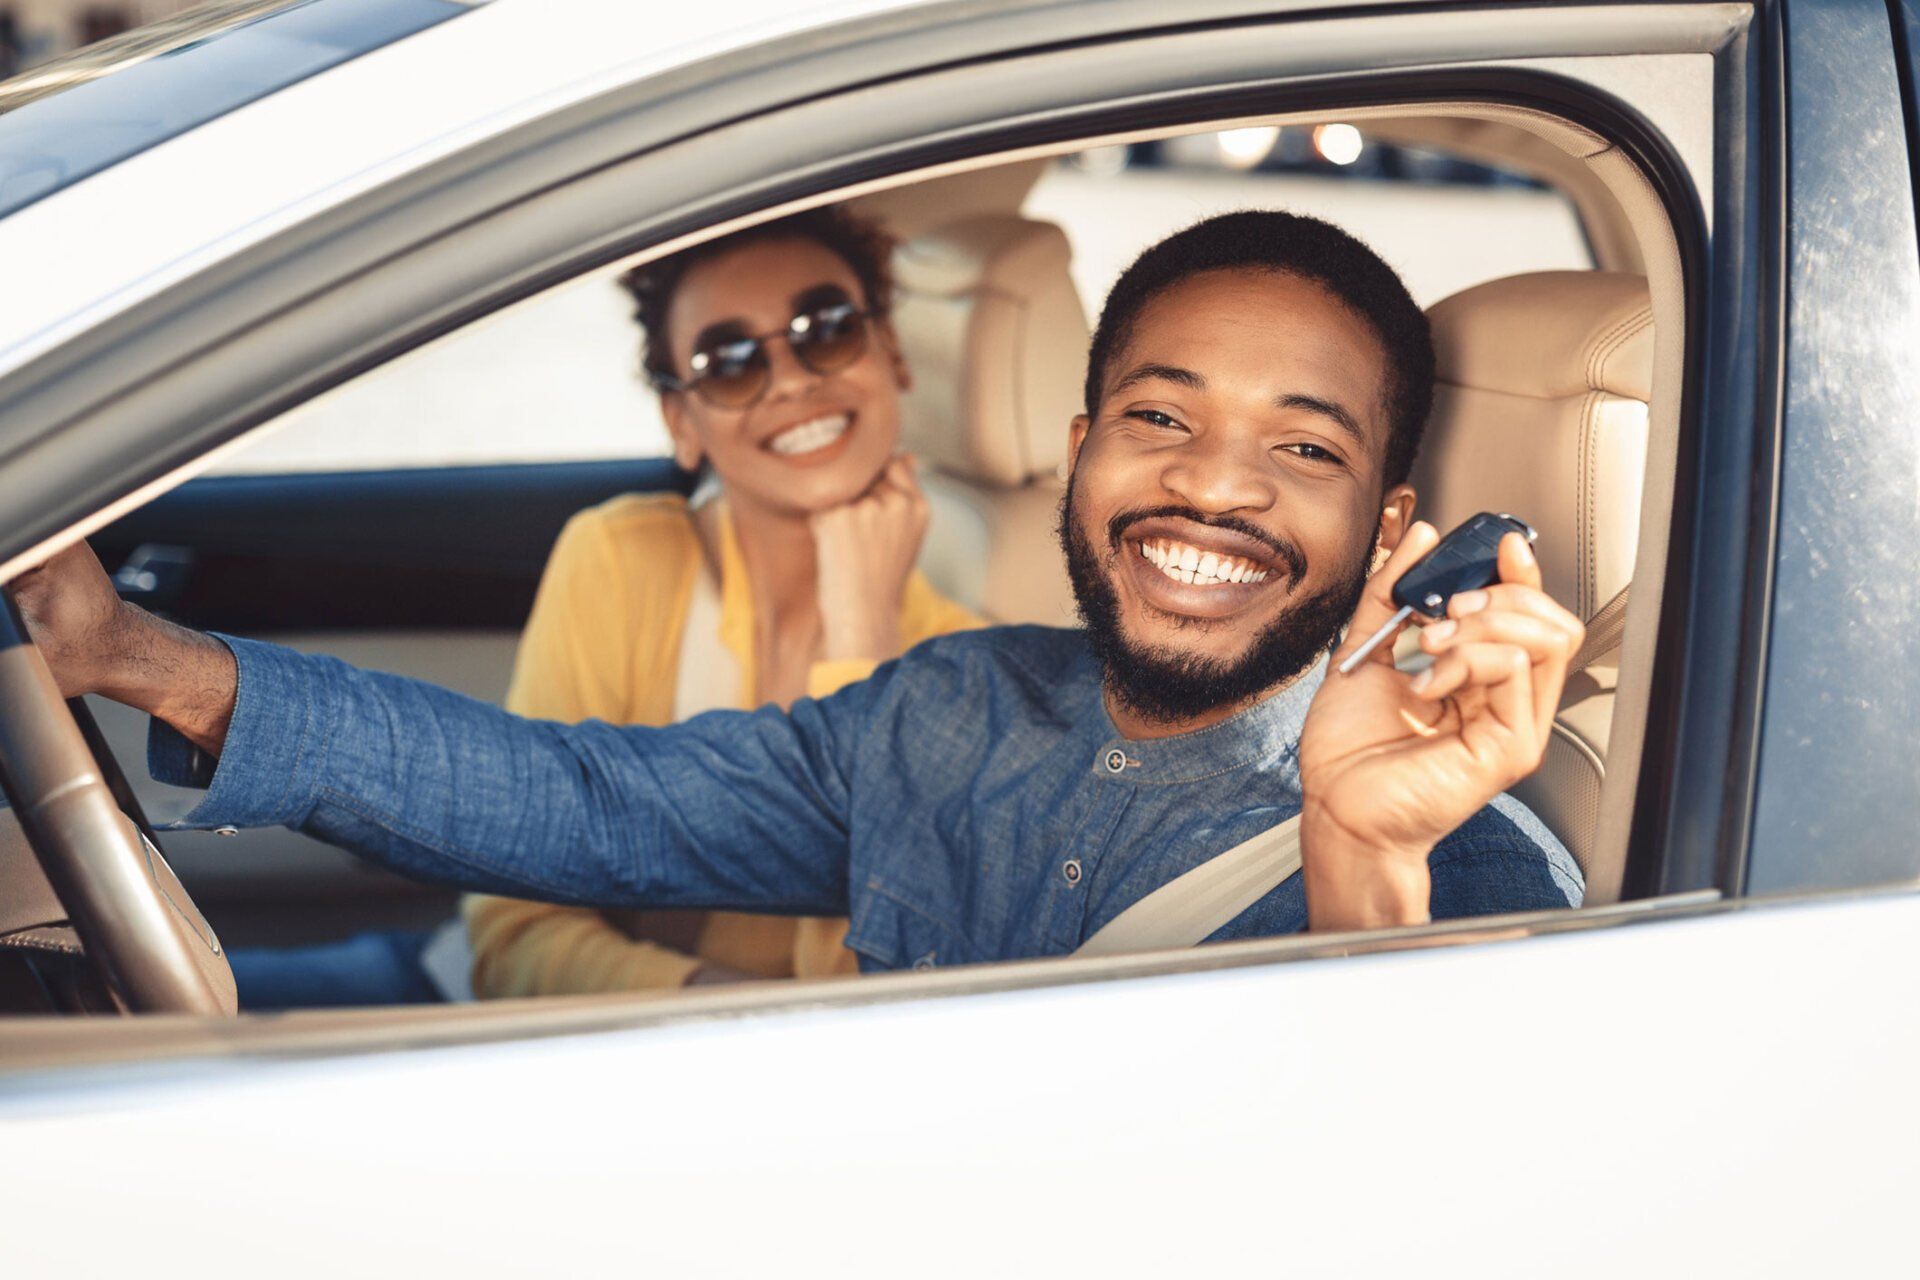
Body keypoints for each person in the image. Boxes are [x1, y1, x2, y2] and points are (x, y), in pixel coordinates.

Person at [13, 211, 1587, 967]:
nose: (1213, 486)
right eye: (1160, 419)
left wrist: (1361, 860)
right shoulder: (948, 707)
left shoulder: (1467, 858)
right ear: (1080, 453)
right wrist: (139, 653)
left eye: (1300, 450)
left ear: (1388, 532)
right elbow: (576, 797)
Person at [466, 208, 980, 995]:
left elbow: (878, 992)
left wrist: (861, 641)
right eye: (732, 360)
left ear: (893, 355)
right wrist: (715, 1013)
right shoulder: (619, 559)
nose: (793, 380)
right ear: (683, 422)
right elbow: (513, 934)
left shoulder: (969, 670)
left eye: (829, 327)